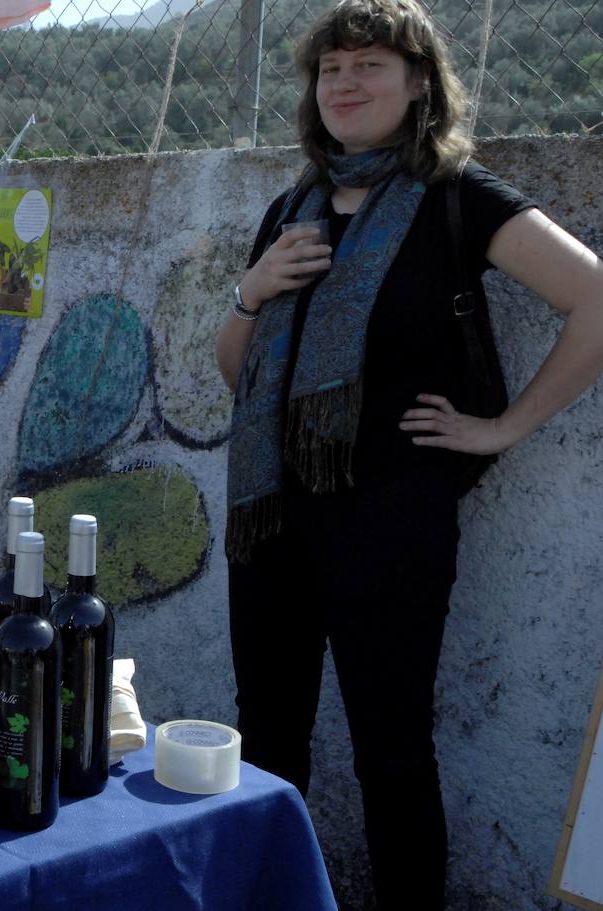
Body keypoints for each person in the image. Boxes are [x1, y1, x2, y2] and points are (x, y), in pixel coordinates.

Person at [215, 1, 603, 906]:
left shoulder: (457, 197)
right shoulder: (293, 205)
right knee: (267, 741)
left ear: (420, 80)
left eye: (370, 66)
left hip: (391, 526)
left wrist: (501, 425)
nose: (345, 84)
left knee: (392, 751)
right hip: (272, 522)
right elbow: (238, 375)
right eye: (331, 69)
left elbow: (593, 299)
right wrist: (249, 290)